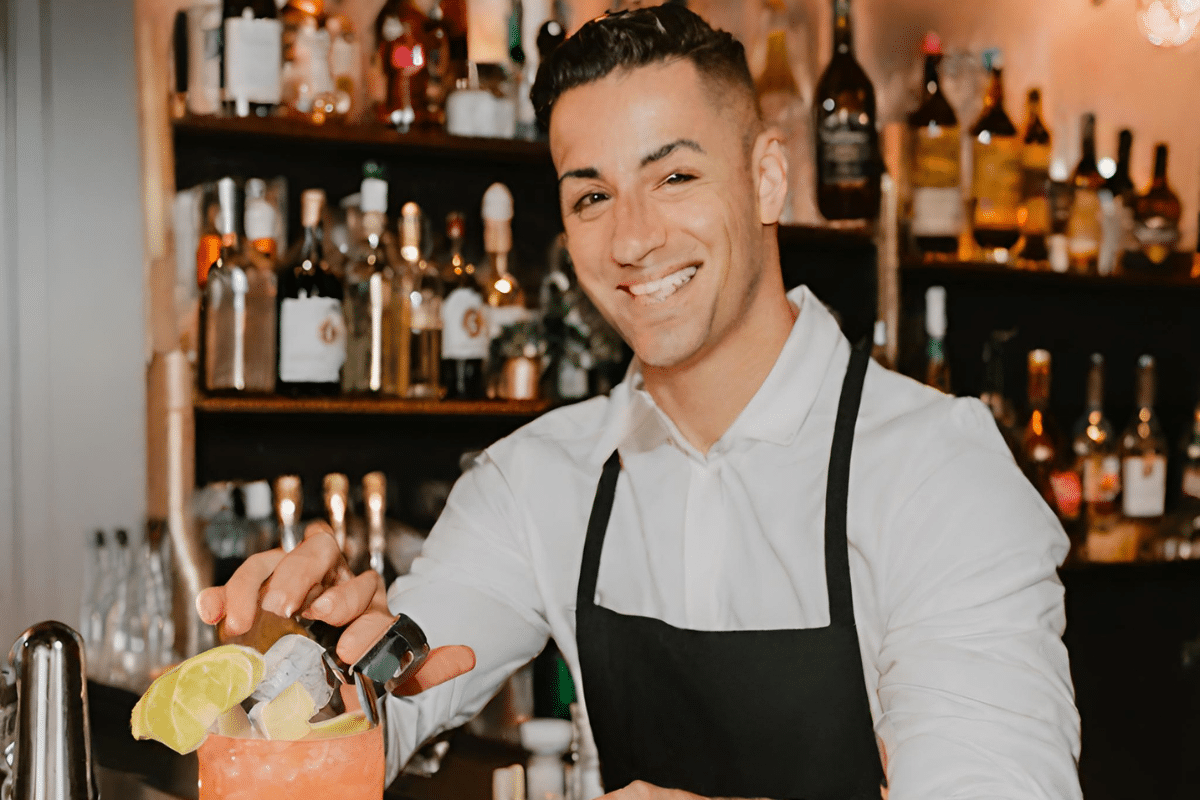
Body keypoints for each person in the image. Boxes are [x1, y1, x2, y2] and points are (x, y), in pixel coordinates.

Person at [197, 6, 1082, 799]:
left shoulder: (936, 472)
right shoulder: (537, 481)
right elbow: (388, 709)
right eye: (591, 196)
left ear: (768, 178)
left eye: (675, 177)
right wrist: (305, 662)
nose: (631, 238)